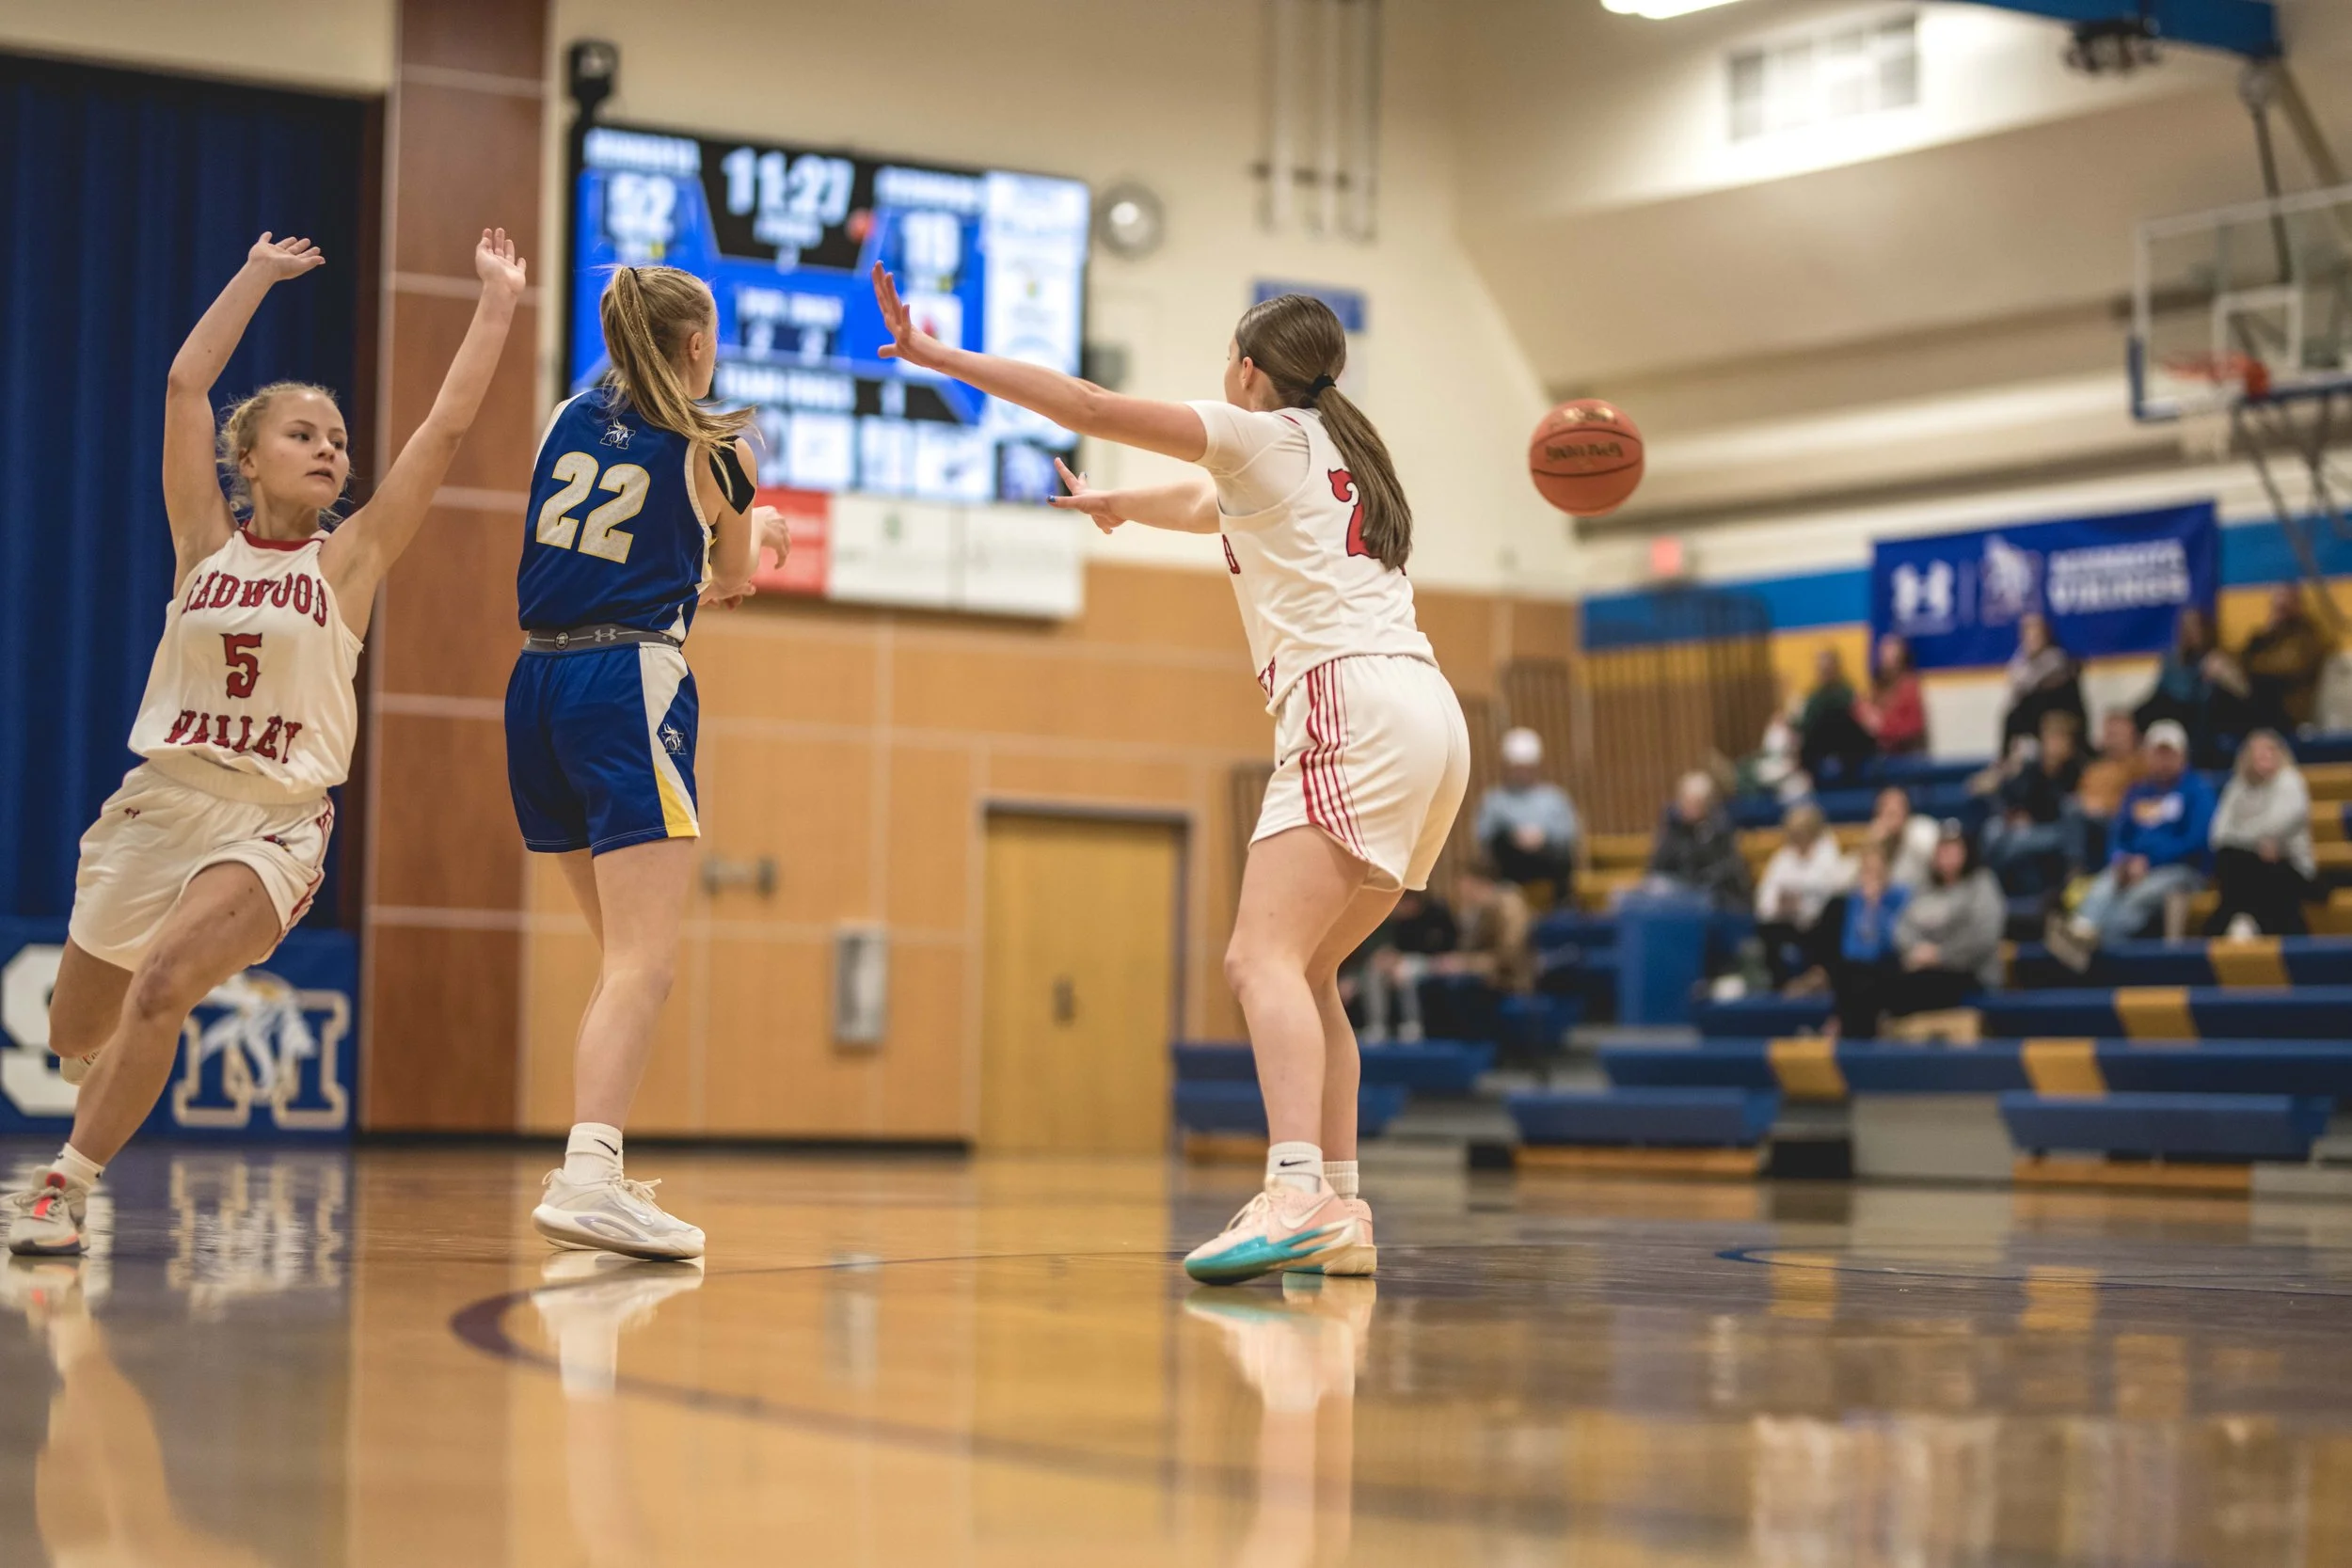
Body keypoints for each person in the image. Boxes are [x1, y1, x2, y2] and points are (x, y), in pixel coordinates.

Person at [880, 269, 1470, 1284]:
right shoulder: (1337, 449)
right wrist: (1121, 505)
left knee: (1256, 960)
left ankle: (1292, 1191)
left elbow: (1092, 406)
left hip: (1349, 707)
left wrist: (943, 358)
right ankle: (1338, 1197)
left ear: (1247, 370)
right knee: (1311, 968)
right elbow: (1207, 505)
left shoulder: (1259, 430)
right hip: (1429, 716)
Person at [6, 230, 526, 1256]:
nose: (331, 447)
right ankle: (106, 1080)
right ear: (247, 460)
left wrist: (498, 300)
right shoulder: (204, 540)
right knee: (75, 1028)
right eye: (303, 433)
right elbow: (185, 383)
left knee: (165, 982)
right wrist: (255, 275)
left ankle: (63, 1186)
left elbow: (447, 430)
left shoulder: (352, 559)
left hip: (275, 821)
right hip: (161, 802)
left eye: (337, 437)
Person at [510, 264, 793, 1261]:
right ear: (695, 348)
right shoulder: (715, 445)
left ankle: (598, 1164)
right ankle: (588, 1175)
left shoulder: (561, 418)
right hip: (625, 685)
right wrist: (764, 538)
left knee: (623, 956)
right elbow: (733, 574)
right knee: (645, 959)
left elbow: (612, 551)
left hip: (534, 687)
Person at [2047, 719, 2217, 966]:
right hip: (2134, 865)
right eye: (2157, 754)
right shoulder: (2137, 792)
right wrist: (2122, 860)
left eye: (2169, 754)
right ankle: (2082, 928)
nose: (2163, 760)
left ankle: (2102, 948)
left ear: (2182, 756)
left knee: (2138, 896)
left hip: (2181, 870)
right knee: (2105, 883)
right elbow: (2118, 835)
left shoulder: (2197, 790)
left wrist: (2149, 861)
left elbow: (2197, 841)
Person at [1834, 826, 2002, 1038]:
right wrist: (1916, 951)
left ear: (1967, 851)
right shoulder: (1925, 887)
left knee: (1875, 990)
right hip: (1919, 967)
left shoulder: (1982, 884)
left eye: (1953, 849)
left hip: (1965, 973)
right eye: (1942, 850)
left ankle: (1859, 1048)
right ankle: (1852, 1052)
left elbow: (1983, 936)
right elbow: (1902, 927)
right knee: (1853, 974)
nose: (1947, 856)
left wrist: (1940, 955)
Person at [2208, 728, 2318, 936]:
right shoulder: (2237, 786)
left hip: (2289, 864)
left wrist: (2242, 836)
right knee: (2231, 858)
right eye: (2257, 752)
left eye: (2269, 750)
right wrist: (2256, 844)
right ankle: (2244, 920)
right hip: (2251, 863)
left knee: (2246, 865)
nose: (2263, 757)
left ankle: (2234, 921)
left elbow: (2280, 823)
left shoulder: (2291, 782)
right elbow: (2218, 834)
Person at [1979, 710, 2084, 896]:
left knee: (2016, 841)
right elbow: (2010, 795)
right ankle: (1986, 880)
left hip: (2058, 830)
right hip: (2027, 825)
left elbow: (2068, 809)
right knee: (1992, 829)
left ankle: (1988, 881)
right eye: (2050, 737)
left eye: (2059, 738)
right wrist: (2013, 813)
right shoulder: (2032, 767)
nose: (2053, 744)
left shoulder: (2076, 770)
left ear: (2070, 743)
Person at [1754, 802, 1851, 990]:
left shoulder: (1828, 854)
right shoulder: (1783, 857)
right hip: (1790, 922)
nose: (1797, 840)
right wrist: (1779, 906)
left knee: (1836, 911)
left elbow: (1831, 889)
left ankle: (1822, 976)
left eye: (1802, 834)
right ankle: (1780, 986)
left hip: (1817, 926)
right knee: (1766, 929)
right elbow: (1764, 899)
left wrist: (1802, 904)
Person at [2134, 606, 2247, 766]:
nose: (2190, 632)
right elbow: (2157, 698)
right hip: (2179, 718)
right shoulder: (2173, 663)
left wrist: (2223, 677)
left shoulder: (2221, 659)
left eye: (2194, 626)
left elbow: (2244, 694)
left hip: (2211, 722)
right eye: (2185, 627)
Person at [1472, 727, 1579, 897]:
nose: (1521, 773)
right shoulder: (1494, 800)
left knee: (1563, 858)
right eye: (1517, 768)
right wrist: (1514, 836)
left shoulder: (1554, 798)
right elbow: (1484, 837)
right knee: (1501, 842)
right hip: (1511, 864)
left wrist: (1543, 837)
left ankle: (1562, 912)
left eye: (1526, 768)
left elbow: (1569, 834)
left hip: (1546, 860)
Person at [1352, 887, 1458, 1043]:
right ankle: (1376, 1025)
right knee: (1374, 970)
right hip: (1404, 960)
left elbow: (1447, 947)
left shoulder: (1436, 914)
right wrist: (1389, 959)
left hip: (1435, 962)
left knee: (1403, 972)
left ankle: (1412, 1024)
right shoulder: (1397, 921)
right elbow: (1394, 948)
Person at [1826, 845, 1910, 1038]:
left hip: (1891, 963)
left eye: (1876, 872)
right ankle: (1849, 1035)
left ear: (1887, 871)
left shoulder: (1901, 896)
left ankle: (1843, 1026)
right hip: (1860, 969)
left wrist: (1875, 909)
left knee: (1861, 979)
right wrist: (1866, 909)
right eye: (1866, 871)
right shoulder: (1855, 900)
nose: (1871, 877)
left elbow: (1892, 943)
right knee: (1849, 972)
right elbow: (1850, 948)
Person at [1645, 771, 1752, 911]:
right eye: (1686, 801)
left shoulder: (1720, 829)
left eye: (1696, 802)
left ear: (1707, 804)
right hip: (1679, 892)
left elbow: (1728, 868)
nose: (1690, 807)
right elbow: (1656, 867)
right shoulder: (1672, 830)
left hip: (1714, 894)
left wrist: (1699, 881)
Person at [2240, 583, 2338, 735]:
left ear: (2297, 604)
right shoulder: (2269, 637)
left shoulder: (2307, 635)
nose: (2280, 610)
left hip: (2290, 710)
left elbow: (2285, 667)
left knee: (2258, 686)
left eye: (2284, 604)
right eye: (2276, 605)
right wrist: (2265, 634)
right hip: (2264, 705)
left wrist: (2245, 669)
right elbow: (2242, 659)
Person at [1999, 612, 2086, 751]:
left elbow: (2046, 686)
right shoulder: (2019, 662)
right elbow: (2017, 689)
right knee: (2012, 717)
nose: (2032, 640)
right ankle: (2007, 758)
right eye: (2028, 635)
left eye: (2037, 635)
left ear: (2046, 635)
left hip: (2054, 711)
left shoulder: (2058, 659)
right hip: (2029, 717)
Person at [2071, 709, 2144, 872]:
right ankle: (2073, 869)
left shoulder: (2140, 765)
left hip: (2117, 818)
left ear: (2132, 735)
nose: (2114, 739)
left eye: (2118, 734)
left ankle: (2075, 870)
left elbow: (2141, 800)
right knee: (2070, 809)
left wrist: (2104, 805)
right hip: (2088, 819)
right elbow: (2079, 796)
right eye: (2110, 734)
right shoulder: (2094, 769)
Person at [1796, 646, 1874, 783]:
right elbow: (1806, 728)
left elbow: (1863, 725)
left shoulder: (1848, 693)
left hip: (1849, 753)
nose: (1824, 671)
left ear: (1835, 667)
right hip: (1819, 754)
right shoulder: (1813, 698)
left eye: (1827, 666)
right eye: (1821, 667)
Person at [1854, 632, 1927, 757]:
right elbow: (1859, 707)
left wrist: (1882, 725)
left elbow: (1914, 725)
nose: (1886, 655)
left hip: (1904, 754)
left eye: (1891, 650)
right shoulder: (1877, 684)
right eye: (1884, 650)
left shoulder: (1909, 684)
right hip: (1878, 752)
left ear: (1902, 654)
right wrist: (1867, 715)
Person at [1866, 785, 1939, 891]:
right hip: (1892, 901)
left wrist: (1903, 834)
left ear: (1907, 809)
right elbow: (1845, 881)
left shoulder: (1922, 829)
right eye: (1885, 808)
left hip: (1928, 895)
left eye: (1896, 808)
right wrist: (1872, 846)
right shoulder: (1876, 835)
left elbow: (1940, 863)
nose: (1891, 814)